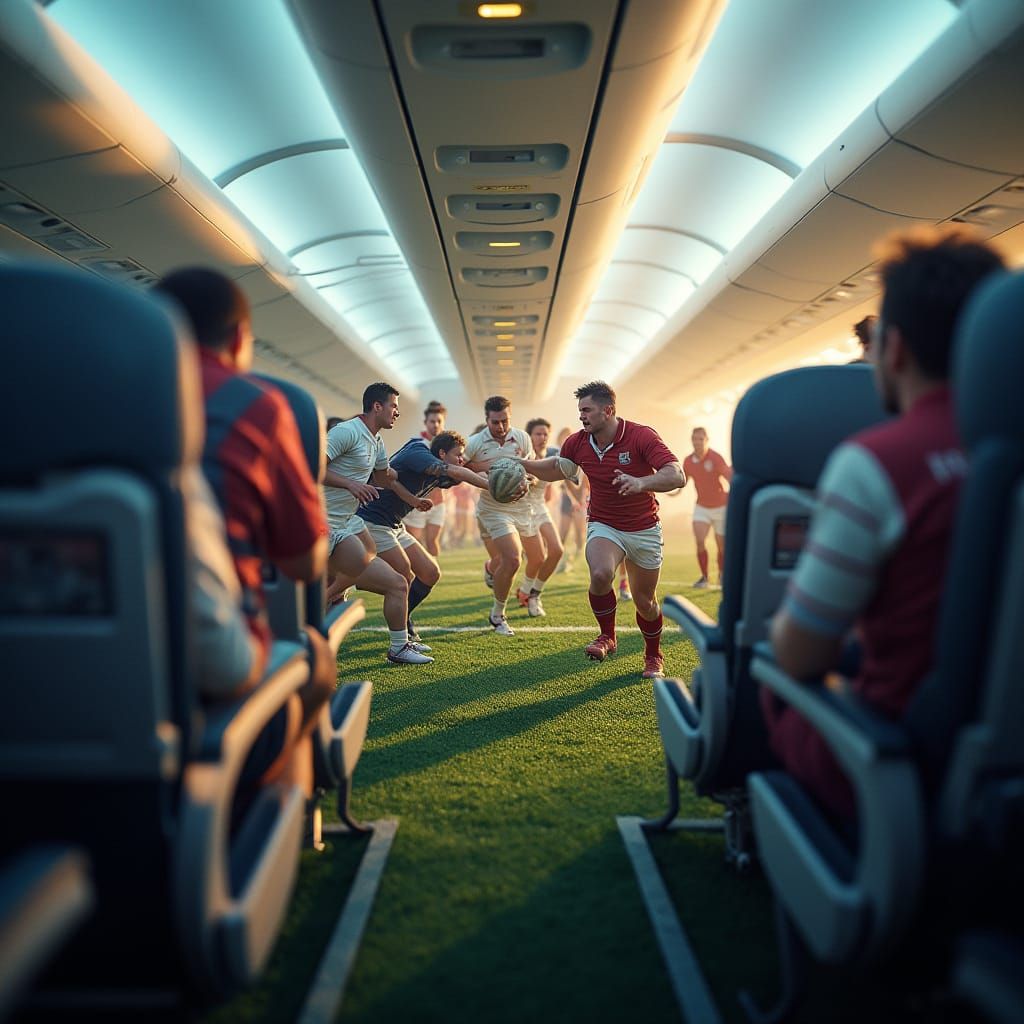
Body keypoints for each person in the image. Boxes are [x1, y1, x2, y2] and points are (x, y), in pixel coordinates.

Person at [765, 224, 1005, 821]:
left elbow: (801, 655)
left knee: (776, 685)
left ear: (892, 349)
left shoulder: (878, 463)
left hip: (905, 763)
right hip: (1007, 763)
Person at [156, 267, 336, 802]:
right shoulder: (255, 405)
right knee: (314, 662)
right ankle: (279, 832)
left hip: (70, 679)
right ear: (239, 339)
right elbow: (305, 563)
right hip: (207, 664)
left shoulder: (80, 401)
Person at [520, 381, 684, 679]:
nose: (582, 416)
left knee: (645, 601)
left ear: (608, 410)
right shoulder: (577, 441)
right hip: (604, 523)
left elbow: (677, 475)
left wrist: (641, 483)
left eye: (587, 410)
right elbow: (558, 469)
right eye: (580, 410)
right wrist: (524, 464)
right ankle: (607, 636)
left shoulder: (641, 436)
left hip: (644, 528)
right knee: (599, 574)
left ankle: (653, 654)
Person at [323, 382, 433, 665]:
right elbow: (311, 467)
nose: (397, 412)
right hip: (325, 525)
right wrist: (351, 484)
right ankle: (397, 645)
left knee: (388, 568)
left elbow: (385, 478)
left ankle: (334, 592)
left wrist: (412, 489)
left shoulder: (377, 441)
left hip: (349, 522)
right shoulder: (346, 431)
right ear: (377, 406)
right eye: (394, 406)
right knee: (398, 583)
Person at [356, 429, 489, 644]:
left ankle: (403, 617)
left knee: (430, 573)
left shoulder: (443, 467)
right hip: (374, 522)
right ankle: (400, 638)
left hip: (394, 526)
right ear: (443, 454)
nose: (461, 460)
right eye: (458, 455)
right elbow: (460, 472)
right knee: (403, 578)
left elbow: (471, 468)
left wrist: (515, 471)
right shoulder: (418, 450)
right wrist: (493, 487)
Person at [463, 396, 531, 636]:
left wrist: (526, 480)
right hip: (491, 509)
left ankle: (491, 568)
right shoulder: (474, 443)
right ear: (486, 420)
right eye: (495, 422)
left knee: (504, 561)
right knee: (513, 559)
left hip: (520, 508)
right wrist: (490, 467)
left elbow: (529, 469)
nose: (501, 427)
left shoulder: (522, 438)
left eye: (504, 421)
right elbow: (461, 468)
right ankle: (498, 615)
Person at [515, 418, 565, 617]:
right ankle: (525, 592)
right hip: (523, 510)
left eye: (545, 434)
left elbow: (562, 474)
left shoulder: (554, 454)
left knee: (557, 550)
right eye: (538, 433)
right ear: (529, 436)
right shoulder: (522, 454)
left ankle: (533, 594)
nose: (542, 437)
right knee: (537, 559)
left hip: (541, 507)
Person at [682, 427, 732, 588]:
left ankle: (722, 574)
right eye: (695, 439)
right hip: (701, 506)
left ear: (706, 440)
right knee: (700, 541)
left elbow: (728, 476)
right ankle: (704, 578)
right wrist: (672, 490)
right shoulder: (688, 461)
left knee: (721, 545)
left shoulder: (716, 458)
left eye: (701, 439)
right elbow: (682, 481)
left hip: (721, 507)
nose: (697, 442)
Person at [404, 401, 448, 555]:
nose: (435, 425)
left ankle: (430, 578)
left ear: (444, 422)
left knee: (432, 542)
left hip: (439, 504)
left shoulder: (448, 446)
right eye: (432, 421)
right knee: (414, 545)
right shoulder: (417, 444)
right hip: (418, 504)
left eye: (439, 421)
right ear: (425, 423)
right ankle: (415, 577)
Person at [555, 426, 586, 571]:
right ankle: (560, 560)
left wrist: (580, 499)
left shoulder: (580, 453)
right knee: (563, 532)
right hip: (567, 498)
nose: (566, 438)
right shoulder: (558, 455)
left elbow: (585, 479)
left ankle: (577, 553)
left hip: (581, 497)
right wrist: (573, 499)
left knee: (580, 532)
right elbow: (564, 481)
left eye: (569, 435)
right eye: (564, 436)